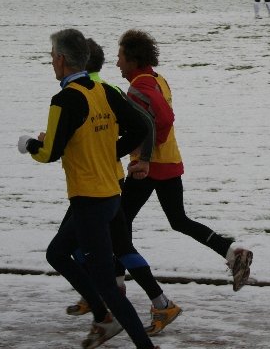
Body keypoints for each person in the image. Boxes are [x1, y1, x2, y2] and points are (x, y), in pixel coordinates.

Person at [17, 29, 160, 349]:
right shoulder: (103, 91)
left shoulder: (64, 100)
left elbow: (50, 152)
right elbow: (141, 126)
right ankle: (101, 316)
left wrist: (29, 144)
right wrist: (112, 151)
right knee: (57, 253)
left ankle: (139, 341)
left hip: (89, 200)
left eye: (53, 56)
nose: (52, 62)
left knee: (107, 285)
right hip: (110, 193)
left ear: (63, 60)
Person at [115, 29, 254, 292]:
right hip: (169, 162)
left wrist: (146, 152)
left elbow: (164, 119)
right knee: (178, 220)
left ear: (133, 58)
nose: (117, 62)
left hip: (149, 167)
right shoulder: (157, 78)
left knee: (119, 222)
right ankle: (232, 252)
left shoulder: (139, 87)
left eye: (120, 56)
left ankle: (116, 282)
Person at [62, 38, 182, 337]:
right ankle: (129, 299)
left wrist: (140, 156)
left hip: (94, 185)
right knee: (116, 244)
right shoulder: (108, 89)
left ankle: (106, 303)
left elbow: (146, 125)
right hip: (108, 179)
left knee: (67, 249)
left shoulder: (83, 94)